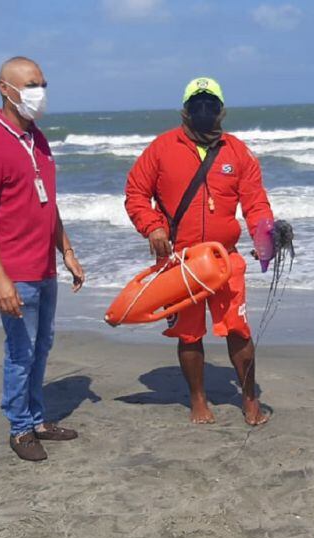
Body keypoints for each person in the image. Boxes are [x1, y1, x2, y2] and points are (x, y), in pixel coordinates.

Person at [124, 77, 274, 426]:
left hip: (225, 259)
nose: (204, 110)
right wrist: (153, 226)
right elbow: (135, 193)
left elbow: (256, 203)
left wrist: (264, 237)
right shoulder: (161, 148)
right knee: (189, 334)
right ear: (185, 110)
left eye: (210, 104)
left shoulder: (238, 152)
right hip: (180, 260)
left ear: (221, 111)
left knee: (238, 330)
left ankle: (249, 399)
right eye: (197, 104)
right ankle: (198, 399)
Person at [0, 57, 86, 462]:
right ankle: (20, 429)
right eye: (32, 85)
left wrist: (67, 251)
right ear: (5, 88)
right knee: (21, 350)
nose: (40, 93)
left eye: (43, 84)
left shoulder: (38, 139)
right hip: (14, 270)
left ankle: (37, 419)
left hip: (43, 265)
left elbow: (47, 203)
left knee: (42, 345)